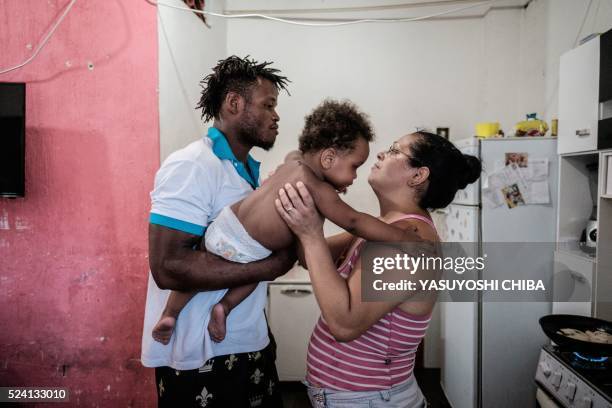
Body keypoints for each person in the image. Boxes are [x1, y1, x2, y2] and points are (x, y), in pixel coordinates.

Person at [152, 99, 421, 347]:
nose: (354, 176)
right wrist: (402, 238)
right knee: (254, 273)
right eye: (354, 166)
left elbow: (294, 153)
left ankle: (169, 313)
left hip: (223, 227)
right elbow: (354, 221)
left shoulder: (293, 163)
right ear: (328, 159)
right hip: (252, 250)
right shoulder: (319, 189)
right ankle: (225, 306)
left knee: (198, 273)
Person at [275, 131, 481, 408]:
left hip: (370, 399)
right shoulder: (385, 228)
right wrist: (317, 203)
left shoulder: (408, 239)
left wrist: (311, 234)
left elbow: (344, 324)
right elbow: (306, 256)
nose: (382, 153)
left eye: (396, 150)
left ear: (418, 175)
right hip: (361, 396)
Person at [141, 55, 296, 407]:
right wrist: (273, 265)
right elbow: (168, 267)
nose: (276, 115)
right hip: (201, 355)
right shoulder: (193, 165)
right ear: (234, 103)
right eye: (268, 104)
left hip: (247, 339)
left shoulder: (246, 171)